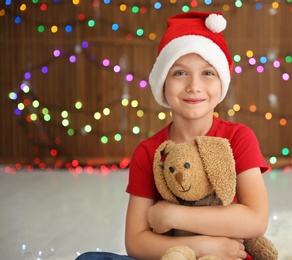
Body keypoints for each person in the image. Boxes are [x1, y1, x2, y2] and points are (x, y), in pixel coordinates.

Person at [77, 11, 269, 260]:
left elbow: (255, 220)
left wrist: (171, 216)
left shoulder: (239, 137)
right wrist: (203, 247)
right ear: (163, 83)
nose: (194, 86)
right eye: (179, 73)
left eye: (208, 73)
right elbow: (135, 242)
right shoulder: (149, 151)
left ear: (222, 82)